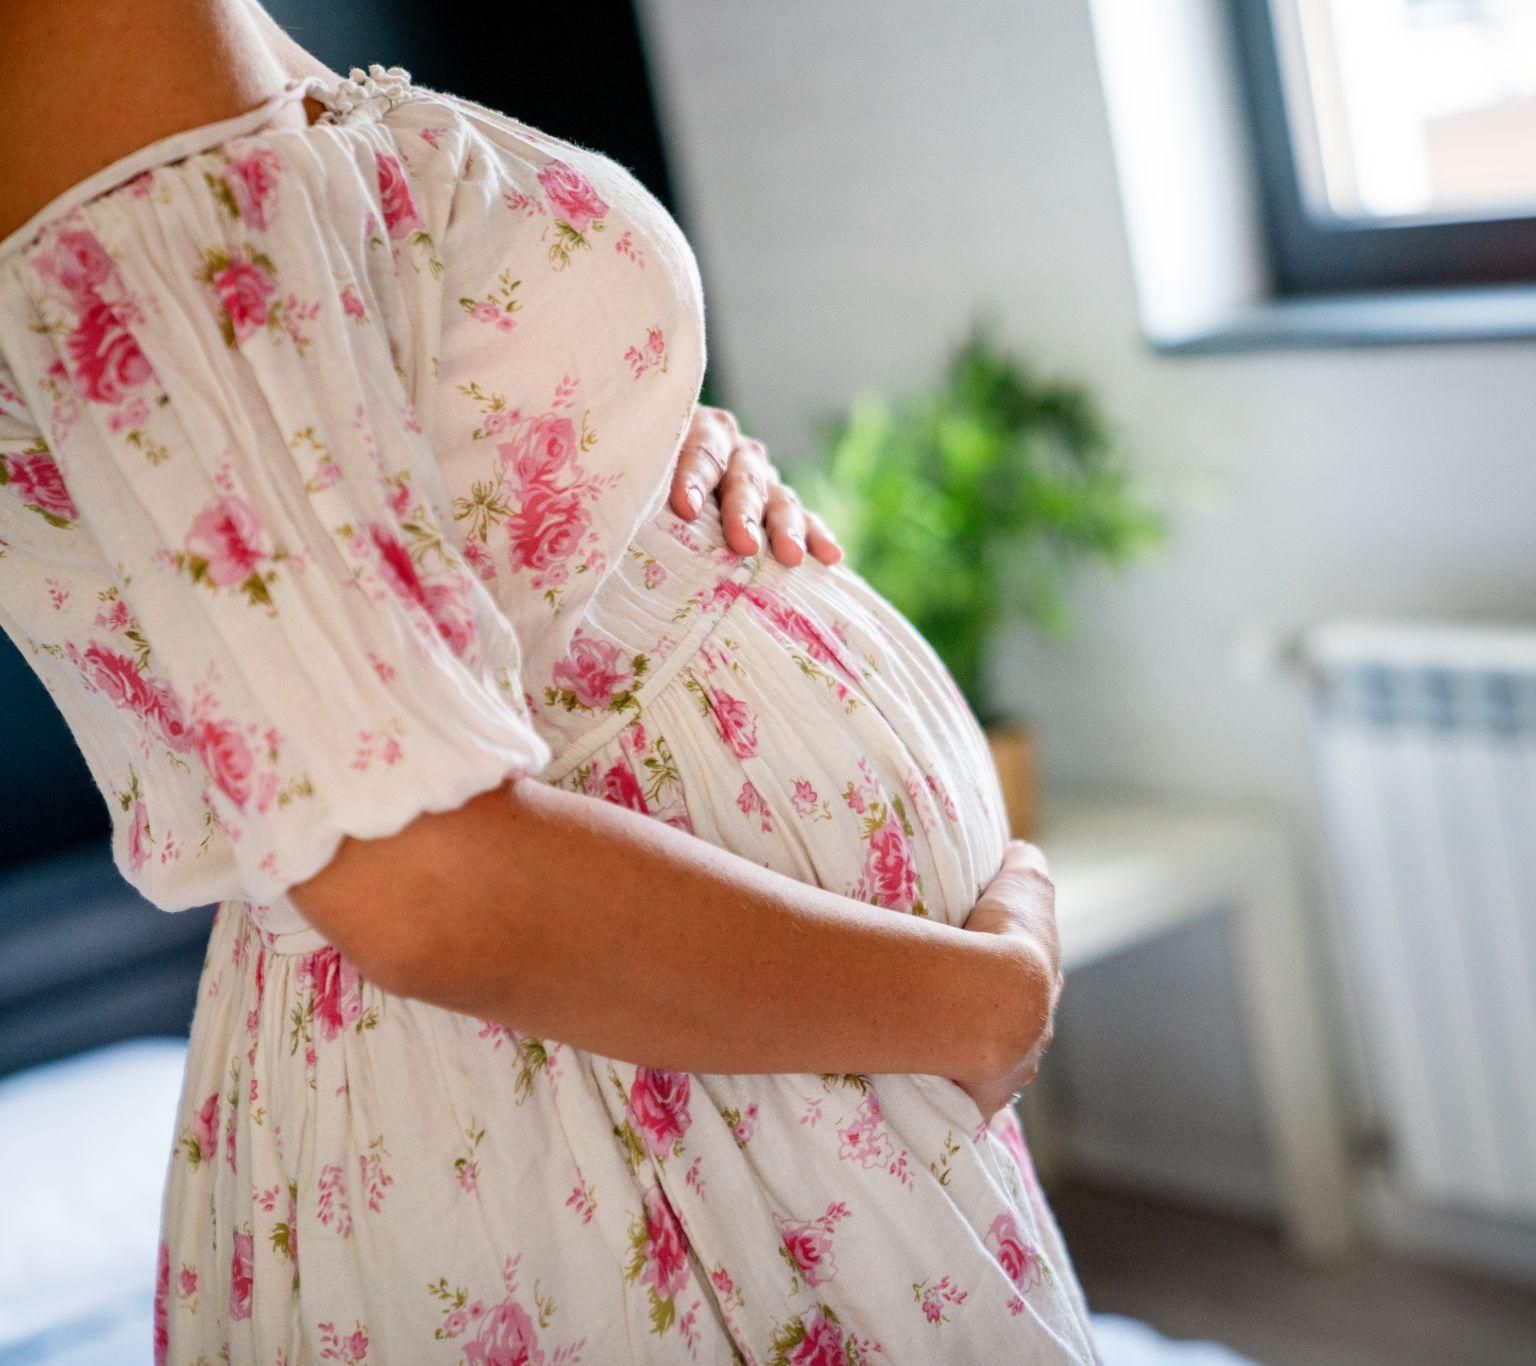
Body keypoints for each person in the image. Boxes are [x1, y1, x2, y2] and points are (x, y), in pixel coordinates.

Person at [0, 1, 1094, 1359]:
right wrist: (984, 998)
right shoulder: (93, 36)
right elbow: (424, 881)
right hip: (578, 1110)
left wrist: (632, 461)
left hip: (703, 1080)